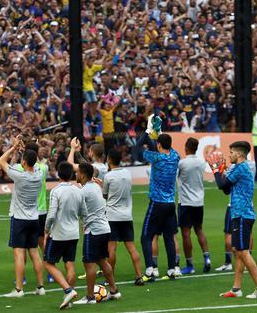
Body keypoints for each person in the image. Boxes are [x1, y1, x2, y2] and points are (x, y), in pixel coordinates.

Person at [215, 141, 257, 299]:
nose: (229, 155)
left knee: (243, 252)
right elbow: (226, 189)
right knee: (238, 251)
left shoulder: (241, 168)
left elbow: (220, 184)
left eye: (231, 152)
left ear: (239, 154)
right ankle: (236, 289)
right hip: (241, 214)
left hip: (242, 215)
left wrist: (216, 171)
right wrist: (221, 172)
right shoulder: (239, 168)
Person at [0, 135, 46, 298]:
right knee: (34, 253)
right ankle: (41, 286)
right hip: (34, 219)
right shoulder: (39, 173)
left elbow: (1, 161)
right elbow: (35, 160)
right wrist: (25, 150)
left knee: (19, 253)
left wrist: (13, 147)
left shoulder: (20, 176)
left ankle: (19, 289)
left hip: (19, 219)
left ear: (24, 161)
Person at [73, 163, 121, 305]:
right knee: (102, 261)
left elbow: (76, 210)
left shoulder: (84, 191)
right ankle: (114, 291)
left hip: (93, 231)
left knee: (89, 263)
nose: (76, 174)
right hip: (104, 229)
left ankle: (90, 297)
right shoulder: (94, 186)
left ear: (82, 174)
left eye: (77, 172)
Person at [139, 128, 181, 283]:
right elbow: (166, 146)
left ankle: (150, 270)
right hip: (170, 203)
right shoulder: (176, 156)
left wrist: (149, 131)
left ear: (159, 145)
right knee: (169, 237)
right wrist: (159, 133)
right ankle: (171, 270)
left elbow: (138, 147)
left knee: (145, 237)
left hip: (157, 203)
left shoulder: (156, 158)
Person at [44, 161, 85, 310]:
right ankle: (68, 300)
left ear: (57, 174)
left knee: (48, 263)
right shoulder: (78, 190)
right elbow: (84, 213)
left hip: (59, 234)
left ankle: (68, 290)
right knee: (70, 264)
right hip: (73, 233)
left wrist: (46, 230)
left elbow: (51, 214)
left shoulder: (56, 191)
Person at [102, 149, 144, 285]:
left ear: (109, 160)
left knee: (111, 248)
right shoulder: (127, 173)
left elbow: (105, 195)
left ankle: (110, 278)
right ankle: (139, 276)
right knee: (131, 247)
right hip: (126, 215)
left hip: (112, 216)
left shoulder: (108, 176)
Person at [176, 137, 211, 275]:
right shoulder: (201, 163)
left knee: (186, 234)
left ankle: (190, 264)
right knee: (199, 230)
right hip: (199, 201)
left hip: (185, 201)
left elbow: (176, 175)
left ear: (186, 148)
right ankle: (207, 258)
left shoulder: (182, 164)